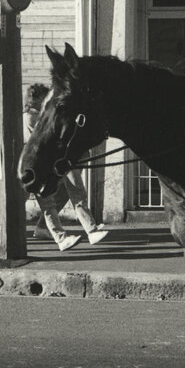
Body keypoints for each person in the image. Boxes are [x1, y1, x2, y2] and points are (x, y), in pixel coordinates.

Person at [24, 83, 109, 251]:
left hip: (46, 163)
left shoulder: (39, 115)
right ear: (36, 98)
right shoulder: (32, 117)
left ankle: (50, 231)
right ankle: (87, 232)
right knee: (72, 194)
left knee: (56, 199)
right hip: (40, 165)